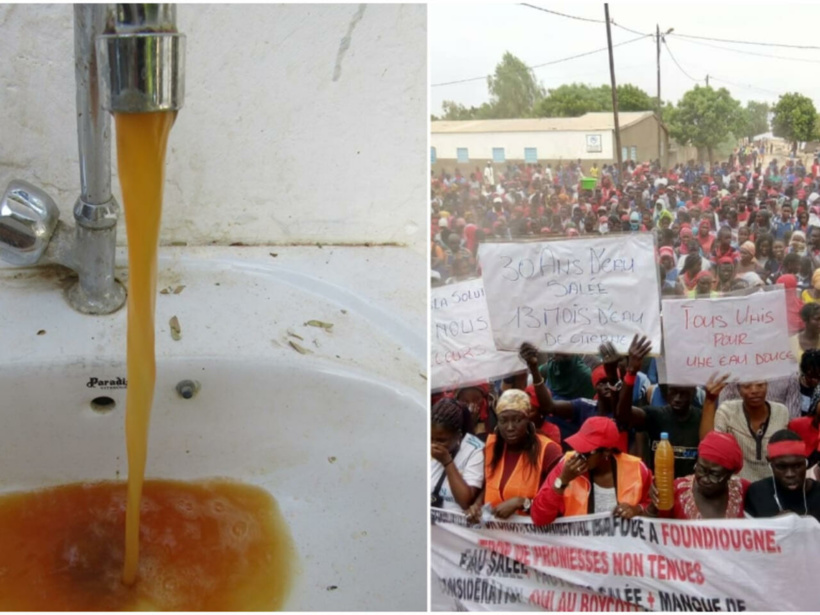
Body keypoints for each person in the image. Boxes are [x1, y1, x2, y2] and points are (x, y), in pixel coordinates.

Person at [530, 417, 652, 525]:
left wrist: (638, 509)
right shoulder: (566, 465)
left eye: (586, 451)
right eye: (578, 448)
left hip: (620, 549)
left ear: (607, 452)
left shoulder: (637, 468)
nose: (579, 455)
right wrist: (562, 481)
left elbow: (654, 507)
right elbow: (539, 518)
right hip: (578, 548)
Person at [466, 390, 562, 522]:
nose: (510, 427)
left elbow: (559, 502)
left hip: (533, 537)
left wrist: (522, 503)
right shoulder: (490, 446)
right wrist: (477, 505)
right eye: (503, 421)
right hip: (493, 538)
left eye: (517, 420)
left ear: (528, 419)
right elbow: (489, 485)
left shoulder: (548, 450)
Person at [701, 374, 790, 482]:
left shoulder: (782, 412)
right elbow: (708, 444)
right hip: (736, 484)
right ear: (739, 390)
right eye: (747, 386)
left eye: (760, 385)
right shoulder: (727, 411)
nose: (754, 390)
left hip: (772, 484)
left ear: (767, 386)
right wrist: (709, 401)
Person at [645, 431, 749, 519]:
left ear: (729, 475)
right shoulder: (676, 491)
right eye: (701, 469)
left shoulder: (742, 491)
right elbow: (649, 531)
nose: (704, 479)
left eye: (714, 474)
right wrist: (653, 505)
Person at [744, 429, 820, 522]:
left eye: (797, 466)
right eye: (781, 467)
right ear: (770, 464)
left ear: (806, 463)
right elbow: (752, 532)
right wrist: (775, 525)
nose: (790, 474)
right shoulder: (757, 492)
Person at [430, 398, 484, 512]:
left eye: (441, 440)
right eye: (431, 439)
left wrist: (447, 462)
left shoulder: (475, 450)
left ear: (458, 436)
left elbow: (465, 502)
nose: (433, 445)